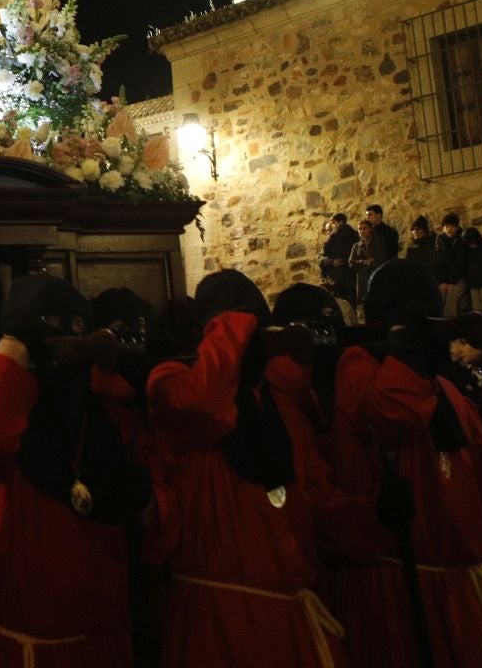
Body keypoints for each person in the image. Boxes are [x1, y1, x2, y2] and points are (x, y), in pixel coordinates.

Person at [0, 273, 152, 667]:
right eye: (48, 325)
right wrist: (15, 352)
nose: (63, 338)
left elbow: (157, 520)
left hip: (94, 646)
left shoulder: (107, 411)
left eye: (76, 328)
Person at [325, 259, 482, 667]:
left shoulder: (444, 387)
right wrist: (405, 353)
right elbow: (390, 418)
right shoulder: (361, 370)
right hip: (400, 583)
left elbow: (481, 476)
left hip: (461, 580)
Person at [145, 270, 351, 667]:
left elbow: (316, 503)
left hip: (293, 624)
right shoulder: (171, 385)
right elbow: (202, 404)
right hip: (218, 628)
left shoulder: (284, 406)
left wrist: (370, 520)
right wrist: (235, 324)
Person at [318, 214, 360, 310]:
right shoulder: (356, 235)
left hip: (336, 280)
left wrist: (331, 263)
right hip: (350, 279)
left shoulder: (334, 236)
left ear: (340, 222)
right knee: (350, 309)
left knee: (339, 309)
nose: (331, 226)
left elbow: (321, 257)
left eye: (333, 223)